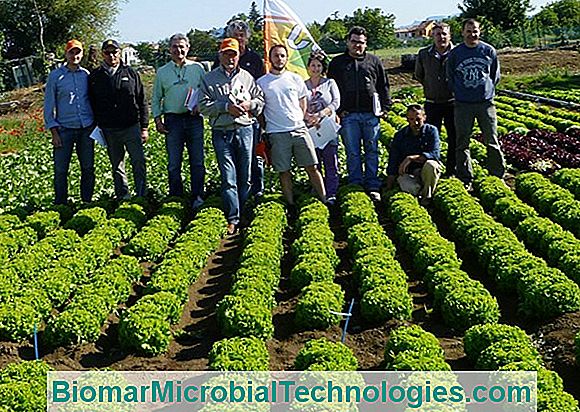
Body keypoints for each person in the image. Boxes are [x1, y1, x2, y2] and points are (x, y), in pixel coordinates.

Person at [199, 38, 265, 235]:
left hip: (245, 130)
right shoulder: (209, 79)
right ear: (220, 55)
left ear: (238, 56)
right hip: (222, 132)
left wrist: (249, 105)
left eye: (233, 54)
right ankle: (233, 218)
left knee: (245, 176)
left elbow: (260, 100)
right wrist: (225, 107)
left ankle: (244, 214)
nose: (230, 58)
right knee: (228, 177)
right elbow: (202, 106)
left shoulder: (247, 77)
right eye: (226, 54)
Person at [257, 44, 326, 209]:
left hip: (299, 130)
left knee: (312, 166)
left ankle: (325, 199)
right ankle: (290, 204)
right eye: (276, 56)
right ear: (270, 58)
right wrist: (266, 126)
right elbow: (259, 109)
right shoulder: (262, 82)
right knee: (284, 171)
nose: (279, 59)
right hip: (277, 133)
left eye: (282, 55)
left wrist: (299, 118)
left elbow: (303, 101)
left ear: (286, 58)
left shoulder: (294, 78)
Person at [328, 26, 391, 202]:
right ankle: (356, 183)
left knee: (372, 150)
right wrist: (339, 111)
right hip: (349, 116)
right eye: (354, 41)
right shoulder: (337, 63)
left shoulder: (374, 61)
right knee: (352, 152)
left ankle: (372, 184)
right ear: (348, 42)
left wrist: (385, 108)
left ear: (366, 44)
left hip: (371, 115)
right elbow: (331, 89)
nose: (357, 45)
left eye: (361, 42)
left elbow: (383, 86)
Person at [446, 18, 505, 189]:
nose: (472, 34)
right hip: (463, 104)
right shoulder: (455, 54)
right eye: (469, 31)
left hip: (485, 104)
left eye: (475, 31)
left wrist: (486, 91)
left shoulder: (488, 50)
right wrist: (460, 92)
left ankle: (497, 175)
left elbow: (495, 75)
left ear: (480, 32)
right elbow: (450, 78)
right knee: (462, 142)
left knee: (492, 140)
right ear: (462, 32)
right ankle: (465, 177)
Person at [89, 39, 148, 200]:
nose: (111, 55)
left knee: (138, 161)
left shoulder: (131, 73)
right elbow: (92, 102)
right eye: (107, 52)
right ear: (103, 54)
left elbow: (142, 100)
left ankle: (142, 195)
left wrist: (144, 127)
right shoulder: (95, 76)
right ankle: (123, 195)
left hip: (131, 126)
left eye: (114, 52)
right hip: (109, 128)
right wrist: (97, 125)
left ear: (119, 53)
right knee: (117, 165)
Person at [152, 33, 206, 208]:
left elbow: (205, 93)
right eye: (175, 46)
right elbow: (156, 98)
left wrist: (201, 106)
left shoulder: (198, 68)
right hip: (172, 120)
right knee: (174, 163)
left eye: (182, 46)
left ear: (188, 48)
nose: (179, 50)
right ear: (170, 50)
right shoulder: (162, 72)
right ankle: (176, 197)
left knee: (197, 161)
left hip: (194, 119)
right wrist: (158, 121)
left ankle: (197, 196)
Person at [214, 20, 267, 198]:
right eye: (235, 36)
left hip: (251, 118)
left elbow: (260, 90)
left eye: (242, 36)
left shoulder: (254, 59)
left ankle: (256, 191)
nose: (239, 39)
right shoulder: (220, 59)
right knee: (233, 162)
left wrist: (253, 108)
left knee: (254, 157)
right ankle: (237, 197)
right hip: (228, 120)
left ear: (247, 38)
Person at [44, 39, 95, 205]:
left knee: (88, 168)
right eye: (71, 52)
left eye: (78, 52)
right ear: (66, 54)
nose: (75, 55)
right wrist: (54, 131)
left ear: (82, 54)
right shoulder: (55, 76)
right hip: (64, 130)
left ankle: (86, 201)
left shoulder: (86, 75)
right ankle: (60, 204)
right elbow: (49, 105)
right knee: (60, 170)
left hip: (86, 128)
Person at [415, 22, 457, 176]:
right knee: (432, 139)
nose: (441, 37)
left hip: (453, 102)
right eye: (438, 34)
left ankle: (452, 170)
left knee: (454, 138)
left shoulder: (457, 52)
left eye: (444, 33)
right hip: (432, 103)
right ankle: (434, 170)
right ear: (432, 36)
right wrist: (432, 86)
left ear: (450, 35)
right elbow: (419, 75)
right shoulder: (424, 54)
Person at [386, 104, 441, 205]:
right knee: (410, 188)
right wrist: (389, 186)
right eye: (411, 119)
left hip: (425, 171)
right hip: (408, 172)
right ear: (407, 119)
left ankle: (426, 198)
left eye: (418, 119)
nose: (415, 122)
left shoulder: (431, 131)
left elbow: (435, 154)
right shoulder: (400, 135)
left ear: (424, 117)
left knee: (432, 165)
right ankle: (421, 191)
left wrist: (411, 158)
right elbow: (393, 159)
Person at [304, 52, 341, 204]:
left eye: (319, 66)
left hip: (327, 127)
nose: (316, 68)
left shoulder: (330, 83)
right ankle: (318, 191)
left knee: (330, 161)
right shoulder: (302, 85)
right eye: (313, 65)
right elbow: (298, 104)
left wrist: (321, 114)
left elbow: (335, 102)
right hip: (310, 128)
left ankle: (331, 192)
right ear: (308, 67)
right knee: (314, 163)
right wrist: (308, 117)